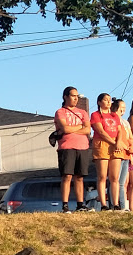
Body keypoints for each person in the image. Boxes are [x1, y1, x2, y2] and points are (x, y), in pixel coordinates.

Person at [53, 86, 91, 214]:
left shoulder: (83, 112)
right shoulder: (60, 112)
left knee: (79, 177)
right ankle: (65, 205)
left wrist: (74, 128)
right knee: (67, 176)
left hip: (82, 146)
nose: (76, 98)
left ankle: (80, 204)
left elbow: (88, 129)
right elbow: (65, 128)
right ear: (66, 97)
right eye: (73, 96)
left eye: (77, 96)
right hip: (67, 146)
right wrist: (80, 126)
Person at [91, 93, 124, 211]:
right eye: (105, 100)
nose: (108, 102)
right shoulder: (95, 115)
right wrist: (114, 142)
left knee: (114, 177)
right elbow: (100, 131)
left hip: (116, 145)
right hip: (102, 144)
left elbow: (120, 130)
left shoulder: (114, 115)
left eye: (109, 100)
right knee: (102, 176)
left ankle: (116, 203)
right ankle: (103, 205)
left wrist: (118, 142)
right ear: (99, 102)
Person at [111, 98, 133, 211]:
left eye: (124, 108)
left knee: (122, 182)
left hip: (127, 154)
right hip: (118, 152)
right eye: (121, 107)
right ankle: (115, 204)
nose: (123, 110)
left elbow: (130, 137)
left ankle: (122, 206)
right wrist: (126, 146)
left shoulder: (125, 123)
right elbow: (117, 137)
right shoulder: (112, 120)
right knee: (115, 180)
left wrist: (131, 146)